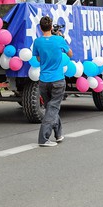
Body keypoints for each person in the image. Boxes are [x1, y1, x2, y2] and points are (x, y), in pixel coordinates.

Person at [32, 15, 73, 147]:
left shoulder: (37, 42)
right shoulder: (59, 40)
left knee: (51, 107)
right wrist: (61, 39)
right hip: (57, 80)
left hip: (43, 80)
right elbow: (70, 54)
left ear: (40, 28)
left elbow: (38, 59)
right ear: (51, 27)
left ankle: (58, 134)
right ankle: (43, 138)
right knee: (53, 108)